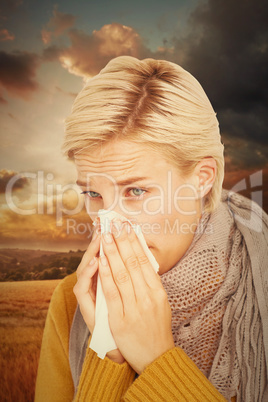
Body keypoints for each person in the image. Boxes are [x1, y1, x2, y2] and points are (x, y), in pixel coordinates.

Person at [35, 56, 268, 402]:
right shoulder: (74, 302)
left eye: (136, 191)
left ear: (201, 180)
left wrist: (158, 361)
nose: (109, 224)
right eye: (93, 193)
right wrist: (107, 353)